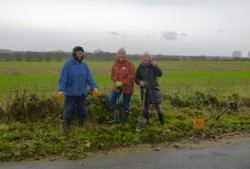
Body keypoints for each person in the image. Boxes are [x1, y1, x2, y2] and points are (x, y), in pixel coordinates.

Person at [57, 46, 98, 131]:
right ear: (74, 53)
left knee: (82, 110)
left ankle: (81, 125)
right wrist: (61, 90)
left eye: (82, 53)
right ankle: (67, 126)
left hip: (82, 93)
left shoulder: (85, 66)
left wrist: (94, 87)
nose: (81, 55)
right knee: (69, 110)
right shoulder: (67, 64)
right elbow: (63, 79)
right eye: (79, 53)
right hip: (70, 93)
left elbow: (89, 78)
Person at [135, 52, 165, 125]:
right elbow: (136, 79)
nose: (145, 58)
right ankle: (146, 123)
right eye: (144, 57)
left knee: (158, 107)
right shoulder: (139, 68)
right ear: (142, 58)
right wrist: (140, 82)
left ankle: (163, 123)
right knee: (145, 108)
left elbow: (160, 74)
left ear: (149, 58)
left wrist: (155, 66)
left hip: (154, 89)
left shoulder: (153, 66)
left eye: (147, 57)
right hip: (145, 90)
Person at [108, 47, 136, 125]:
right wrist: (116, 81)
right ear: (118, 54)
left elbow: (132, 77)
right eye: (120, 53)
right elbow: (112, 75)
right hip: (117, 86)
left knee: (125, 104)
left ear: (125, 55)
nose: (121, 55)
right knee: (111, 99)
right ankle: (116, 118)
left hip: (128, 87)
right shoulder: (115, 63)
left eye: (123, 53)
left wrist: (122, 83)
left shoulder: (130, 64)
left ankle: (125, 121)